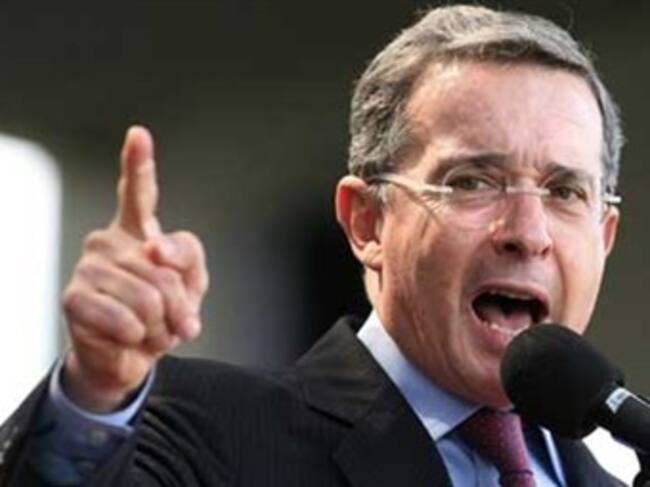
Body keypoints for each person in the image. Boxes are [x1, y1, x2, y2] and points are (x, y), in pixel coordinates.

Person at [0, 4, 629, 486]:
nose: (527, 233)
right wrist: (96, 395)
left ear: (603, 238)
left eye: (564, 192)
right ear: (368, 223)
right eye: (472, 182)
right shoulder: (204, 426)